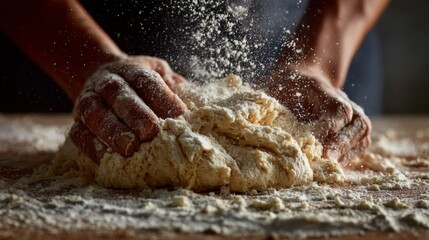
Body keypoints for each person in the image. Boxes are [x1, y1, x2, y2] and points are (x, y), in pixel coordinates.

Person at [0, 0, 389, 164]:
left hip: (318, 22)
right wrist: (86, 60)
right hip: (64, 33)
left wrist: (317, 61)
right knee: (112, 122)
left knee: (323, 136)